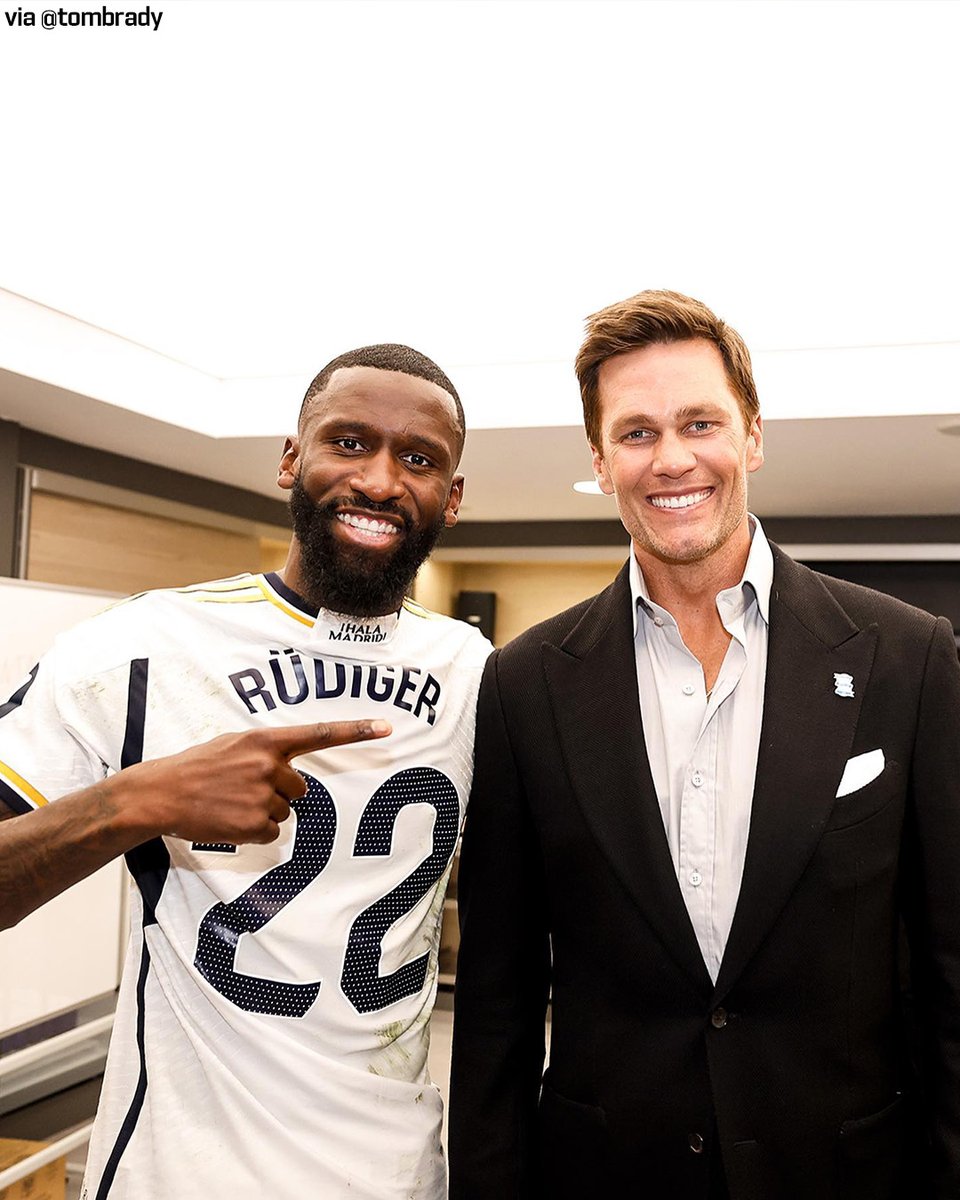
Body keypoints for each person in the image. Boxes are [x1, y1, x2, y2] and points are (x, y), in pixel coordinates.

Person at [448, 291, 960, 1200]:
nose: (673, 459)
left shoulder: (907, 657)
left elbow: (953, 960)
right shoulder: (525, 684)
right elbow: (498, 1000)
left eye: (700, 422)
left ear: (752, 436)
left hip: (848, 1174)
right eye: (637, 433)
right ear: (601, 461)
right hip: (607, 1176)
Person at [0, 344, 492, 1200]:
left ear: (451, 498)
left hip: (396, 1176)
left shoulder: (477, 673)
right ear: (291, 460)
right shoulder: (143, 644)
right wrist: (137, 800)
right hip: (181, 1174)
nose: (378, 481)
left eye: (418, 460)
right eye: (348, 442)